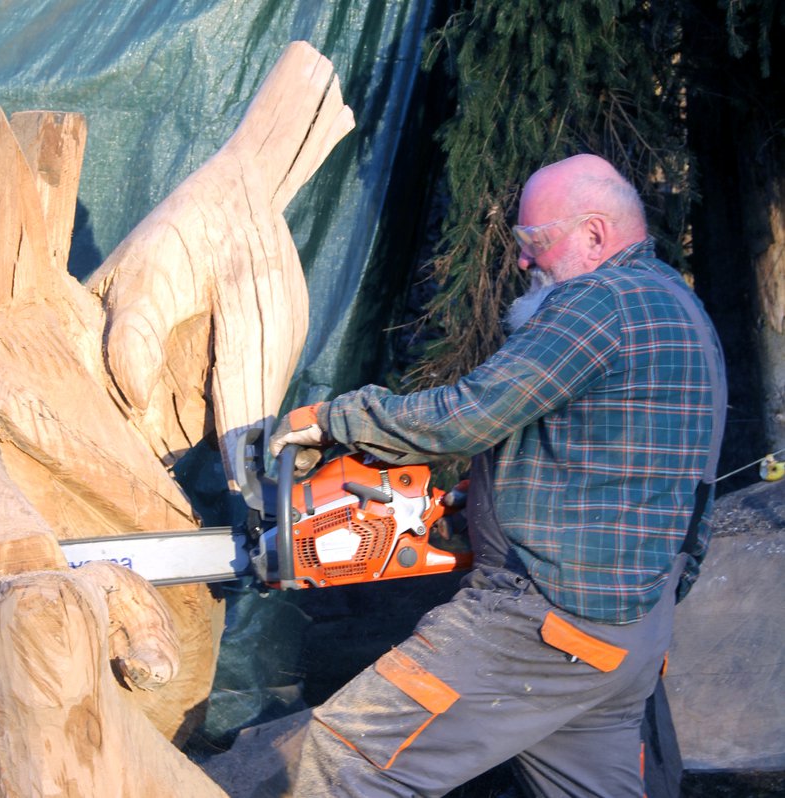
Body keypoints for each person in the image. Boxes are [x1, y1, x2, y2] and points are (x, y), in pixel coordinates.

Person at [269, 154, 726, 797]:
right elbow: (616, 469)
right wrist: (479, 505)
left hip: (546, 626)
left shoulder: (602, 300)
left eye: (535, 244)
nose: (522, 262)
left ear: (595, 236)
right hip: (626, 636)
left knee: (346, 757)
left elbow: (469, 415)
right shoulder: (676, 304)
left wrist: (338, 419)